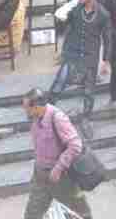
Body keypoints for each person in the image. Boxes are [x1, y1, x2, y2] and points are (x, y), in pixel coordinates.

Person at [21, 88, 92, 219]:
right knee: (32, 214)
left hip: (61, 177)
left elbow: (75, 145)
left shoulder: (57, 118)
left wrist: (58, 168)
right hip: (41, 175)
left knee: (80, 213)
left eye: (26, 107)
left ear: (36, 107)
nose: (24, 110)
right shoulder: (35, 117)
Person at [50, 0, 111, 126]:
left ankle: (86, 118)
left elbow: (108, 39)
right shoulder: (76, 8)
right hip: (72, 53)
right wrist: (60, 17)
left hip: (90, 56)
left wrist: (106, 61)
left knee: (89, 91)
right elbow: (64, 28)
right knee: (59, 82)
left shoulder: (103, 14)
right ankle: (47, 111)